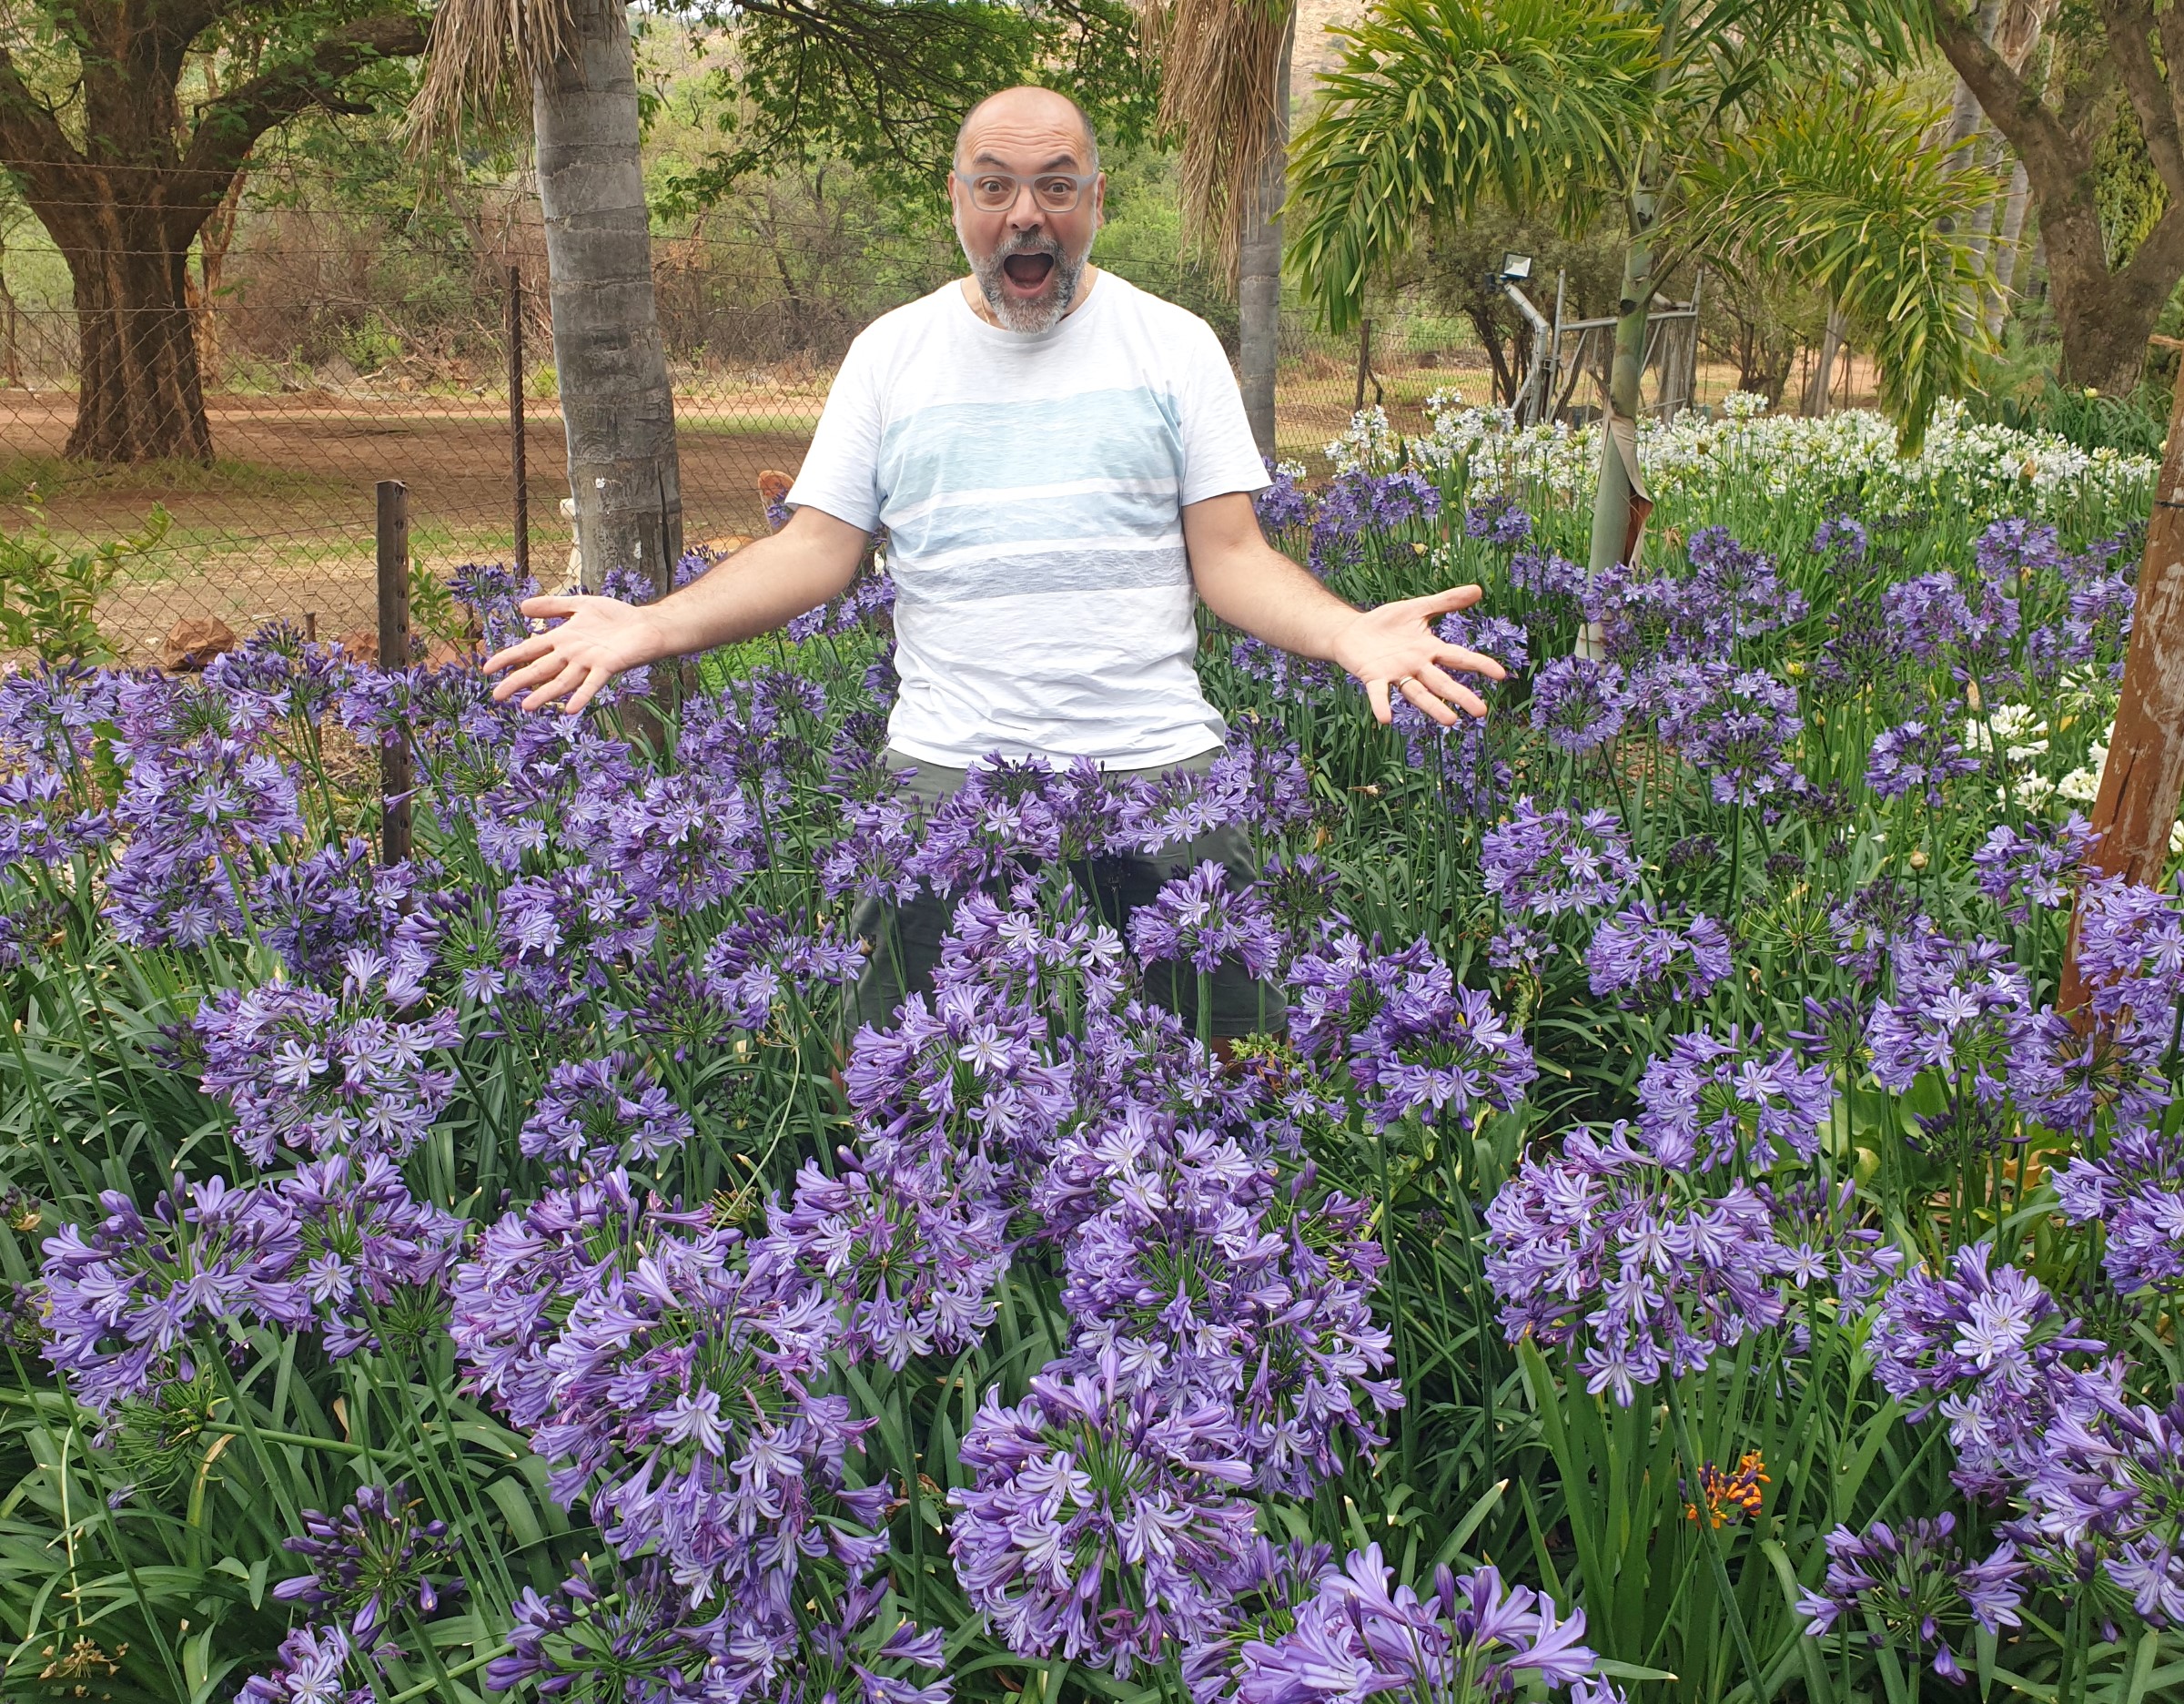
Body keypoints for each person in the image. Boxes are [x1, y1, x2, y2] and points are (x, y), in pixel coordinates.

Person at [483, 84, 1506, 1037]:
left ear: (1096, 199)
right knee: (918, 1092)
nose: (1027, 213)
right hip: (946, 778)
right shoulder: (893, 353)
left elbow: (1231, 556)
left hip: (1156, 771)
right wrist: (652, 626)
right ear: (958, 201)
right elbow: (815, 549)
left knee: (1225, 1069)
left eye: (1057, 186)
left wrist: (1345, 632)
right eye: (996, 186)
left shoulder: (1173, 345)